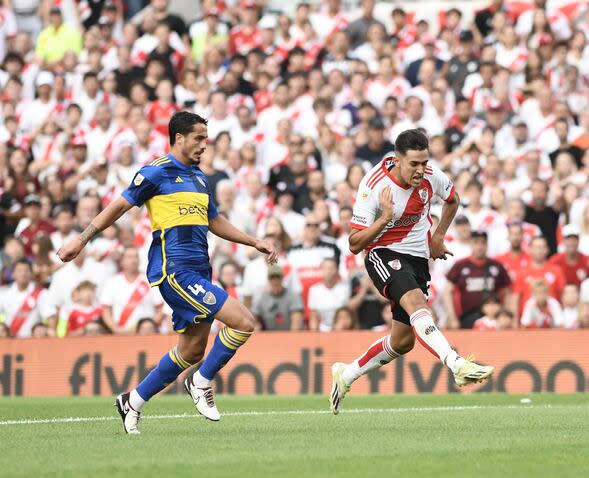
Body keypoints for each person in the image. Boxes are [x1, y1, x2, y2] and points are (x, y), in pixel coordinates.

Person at [57, 112, 277, 434]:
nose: (205, 144)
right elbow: (119, 206)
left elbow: (213, 221)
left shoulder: (200, 178)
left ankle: (132, 400)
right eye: (199, 138)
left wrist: (252, 240)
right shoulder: (156, 171)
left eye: (206, 138)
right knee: (243, 322)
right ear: (179, 138)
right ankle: (201, 382)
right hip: (174, 270)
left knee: (191, 350)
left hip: (200, 270)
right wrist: (82, 237)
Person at [329, 129, 493, 414]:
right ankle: (456, 365)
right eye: (413, 164)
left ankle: (347, 374)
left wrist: (438, 236)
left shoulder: (431, 175)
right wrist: (384, 219)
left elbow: (452, 199)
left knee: (403, 342)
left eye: (424, 162)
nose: (420, 170)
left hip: (417, 259)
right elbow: (354, 244)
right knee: (418, 305)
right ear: (397, 160)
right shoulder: (373, 185)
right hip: (383, 254)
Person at [443, 230, 512, 329]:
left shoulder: (496, 265)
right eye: (476, 242)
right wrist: (453, 317)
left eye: (483, 243)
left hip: (492, 318)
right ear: (470, 244)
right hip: (467, 316)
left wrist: (505, 314)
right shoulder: (460, 265)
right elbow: (447, 292)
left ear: (487, 245)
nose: (479, 247)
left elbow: (508, 291)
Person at [253, 265, 304, 331]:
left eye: (278, 277)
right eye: (272, 277)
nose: (275, 280)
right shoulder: (263, 298)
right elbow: (254, 318)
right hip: (269, 337)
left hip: (289, 335)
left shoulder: (293, 296)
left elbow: (296, 324)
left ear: (282, 278)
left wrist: (292, 339)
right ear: (268, 279)